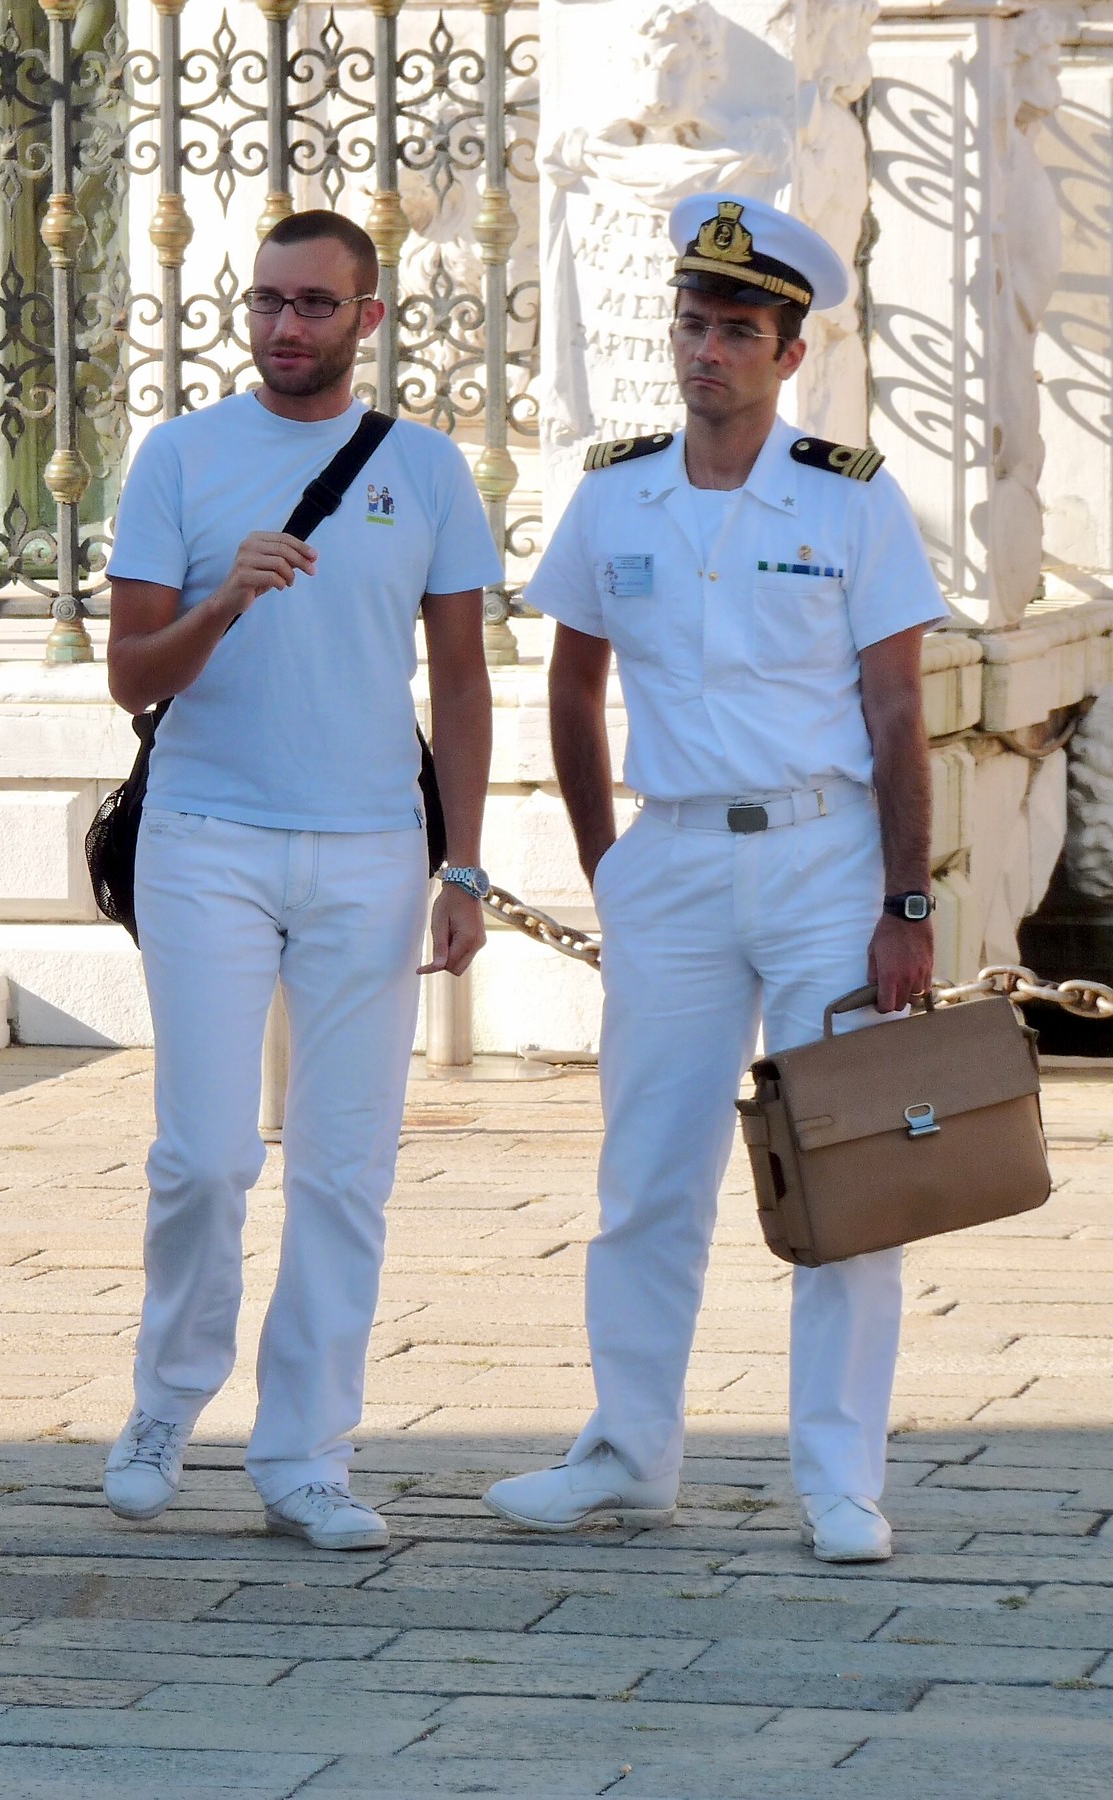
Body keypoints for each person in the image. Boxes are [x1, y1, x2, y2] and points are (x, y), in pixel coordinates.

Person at [484, 195, 946, 1564]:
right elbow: (573, 683)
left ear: (789, 354)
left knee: (846, 1169)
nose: (708, 351)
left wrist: (907, 903)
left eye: (740, 331)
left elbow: (898, 711)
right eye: (693, 325)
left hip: (823, 856)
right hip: (674, 856)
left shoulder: (850, 497)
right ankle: (630, 1451)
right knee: (648, 1170)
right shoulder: (615, 492)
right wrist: (605, 864)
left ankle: (840, 1477)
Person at [97, 209, 500, 1547]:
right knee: (205, 1157)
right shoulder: (182, 456)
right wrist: (222, 601)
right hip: (205, 835)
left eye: (315, 304)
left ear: (367, 319)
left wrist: (463, 865)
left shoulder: (425, 468)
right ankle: (165, 1404)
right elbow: (130, 676)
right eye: (267, 300)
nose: (285, 325)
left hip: (372, 847)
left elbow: (461, 681)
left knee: (343, 1166)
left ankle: (307, 1453)